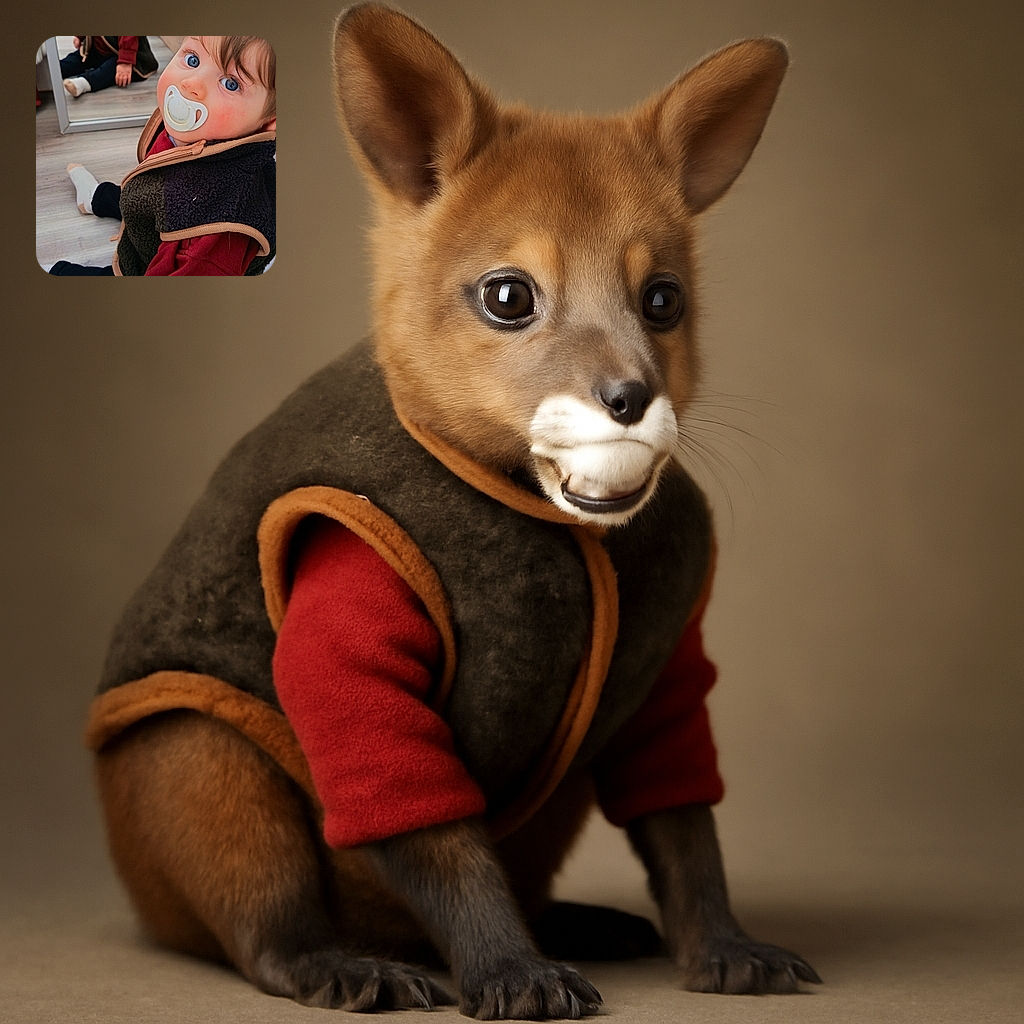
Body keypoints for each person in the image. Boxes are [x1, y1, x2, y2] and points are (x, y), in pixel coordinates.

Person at [49, 35, 276, 276]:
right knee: (147, 198)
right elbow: (160, 194)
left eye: (231, 83)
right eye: (192, 59)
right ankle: (97, 197)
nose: (191, 83)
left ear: (267, 123)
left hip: (146, 268)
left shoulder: (216, 233)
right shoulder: (203, 135)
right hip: (165, 210)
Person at [60, 36, 158, 98]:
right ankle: (57, 70)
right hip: (98, 49)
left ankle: (84, 82)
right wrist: (80, 37)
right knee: (77, 58)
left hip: (128, 55)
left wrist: (125, 61)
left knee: (109, 70)